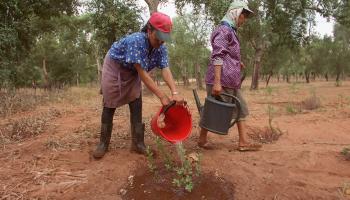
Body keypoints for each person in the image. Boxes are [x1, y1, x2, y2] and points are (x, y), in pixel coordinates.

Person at [93, 12, 184, 159]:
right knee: (109, 104)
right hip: (115, 67)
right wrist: (162, 96)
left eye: (164, 39)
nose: (161, 42)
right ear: (149, 30)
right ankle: (103, 143)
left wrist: (174, 92)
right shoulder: (136, 41)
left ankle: (138, 143)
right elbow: (142, 74)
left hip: (133, 71)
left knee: (136, 102)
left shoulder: (161, 47)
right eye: (158, 38)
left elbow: (165, 69)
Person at [197, 1, 261, 151]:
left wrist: (237, 62)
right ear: (235, 13)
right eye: (243, 15)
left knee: (237, 108)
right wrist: (217, 82)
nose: (244, 19)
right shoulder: (224, 30)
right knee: (216, 109)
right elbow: (217, 56)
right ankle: (204, 139)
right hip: (222, 80)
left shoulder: (230, 31)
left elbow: (227, 55)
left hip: (230, 80)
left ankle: (241, 141)